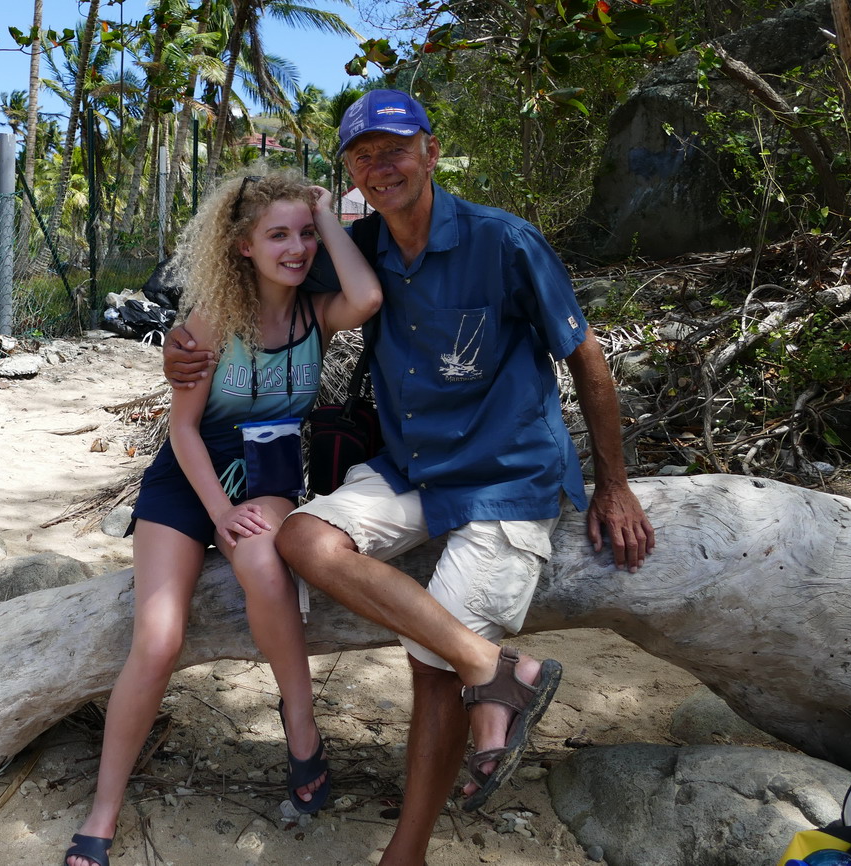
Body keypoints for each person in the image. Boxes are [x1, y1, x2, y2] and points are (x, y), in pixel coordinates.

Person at [163, 90, 656, 865]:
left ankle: (408, 851)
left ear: (431, 151)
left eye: (394, 148)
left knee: (430, 669)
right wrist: (179, 342)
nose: (380, 165)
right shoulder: (360, 245)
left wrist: (615, 484)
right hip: (411, 468)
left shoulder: (504, 241)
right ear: (350, 171)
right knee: (303, 537)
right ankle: (498, 670)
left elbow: (586, 359)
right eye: (363, 154)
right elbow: (259, 272)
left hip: (504, 476)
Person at [64, 170, 382, 866]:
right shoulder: (208, 321)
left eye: (303, 235)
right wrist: (219, 511)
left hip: (265, 467)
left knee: (264, 563)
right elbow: (180, 432)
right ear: (242, 246)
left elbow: (367, 295)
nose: (295, 248)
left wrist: (325, 214)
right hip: (189, 478)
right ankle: (104, 808)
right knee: (156, 637)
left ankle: (301, 728)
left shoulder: (314, 312)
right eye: (278, 235)